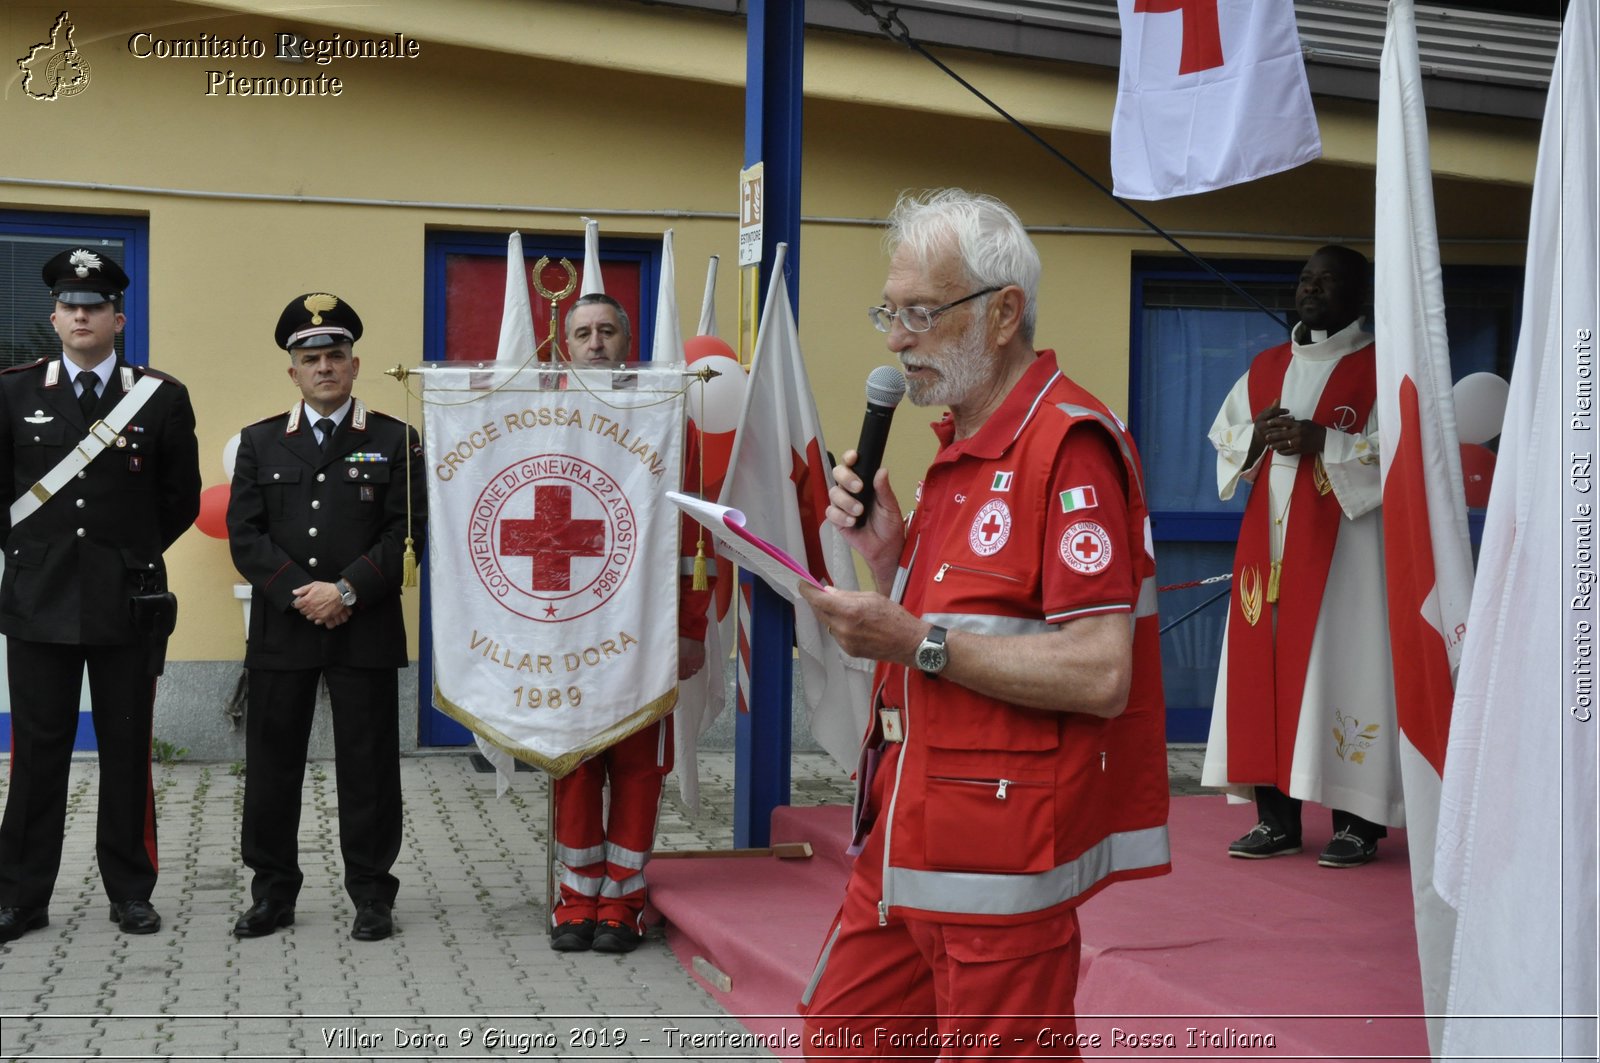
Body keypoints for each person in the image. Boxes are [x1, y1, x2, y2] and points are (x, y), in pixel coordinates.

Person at [794, 189, 1170, 1054]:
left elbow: (1100, 672)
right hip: (905, 838)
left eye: (921, 313)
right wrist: (890, 559)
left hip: (1001, 864)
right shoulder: (960, 442)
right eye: (891, 311)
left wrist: (911, 638)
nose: (895, 339)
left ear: (1004, 314)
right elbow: (968, 621)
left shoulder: (1067, 444)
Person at [0, 248, 201, 944]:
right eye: (69, 305)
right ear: (54, 316)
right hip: (38, 601)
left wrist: (126, 556)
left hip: (127, 599)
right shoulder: (12, 391)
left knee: (125, 749)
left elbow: (178, 499)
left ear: (118, 317)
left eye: (95, 306)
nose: (82, 315)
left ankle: (130, 890)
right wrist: (35, 558)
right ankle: (21, 897)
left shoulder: (161, 397)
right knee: (37, 754)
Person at [226, 293, 426, 942]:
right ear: (293, 372)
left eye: (335, 355)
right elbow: (246, 536)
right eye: (310, 358)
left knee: (368, 767)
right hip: (283, 630)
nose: (324, 367)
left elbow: (407, 531)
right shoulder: (259, 442)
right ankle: (273, 892)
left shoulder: (396, 439)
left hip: (363, 626)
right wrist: (301, 591)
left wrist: (345, 589)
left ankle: (372, 894)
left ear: (355, 363)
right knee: (272, 767)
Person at [1200, 245, 1401, 869]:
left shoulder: (1383, 369)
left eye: (1327, 281)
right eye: (1305, 280)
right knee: (1268, 675)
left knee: (1344, 669)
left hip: (1347, 561)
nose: (1311, 290)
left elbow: (1404, 456)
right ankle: (1276, 818)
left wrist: (1326, 441)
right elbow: (1225, 439)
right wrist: (1255, 438)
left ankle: (1357, 823)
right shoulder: (1264, 369)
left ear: (1359, 295)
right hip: (1270, 551)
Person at [547, 292, 714, 954]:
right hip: (565, 630)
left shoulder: (670, 422)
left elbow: (698, 538)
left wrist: (693, 625)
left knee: (640, 767)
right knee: (576, 763)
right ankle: (575, 893)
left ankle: (624, 897)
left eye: (607, 330)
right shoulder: (540, 421)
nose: (594, 342)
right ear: (564, 347)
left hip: (645, 628)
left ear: (627, 340)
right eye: (582, 332)